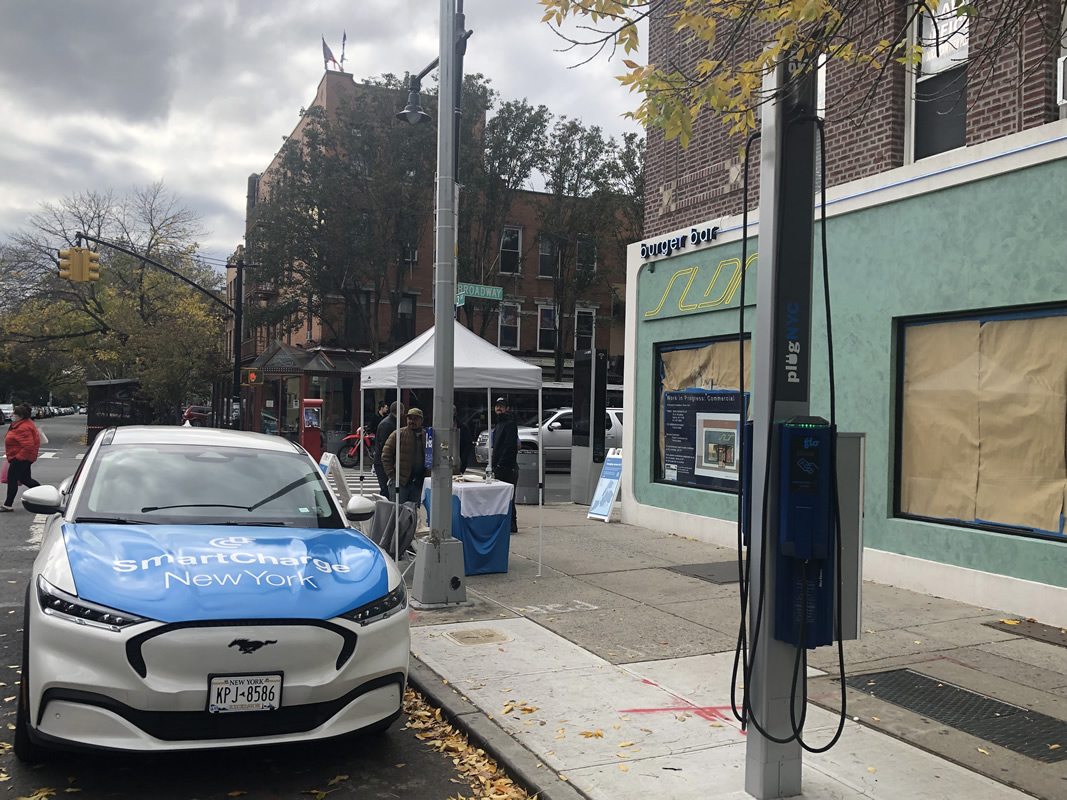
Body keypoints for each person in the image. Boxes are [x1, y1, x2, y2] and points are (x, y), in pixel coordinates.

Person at [380, 408, 427, 504]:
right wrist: (391, 474)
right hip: (400, 482)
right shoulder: (398, 434)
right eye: (410, 418)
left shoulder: (426, 436)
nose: (412, 421)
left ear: (421, 420)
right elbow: (386, 455)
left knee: (413, 513)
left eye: (415, 419)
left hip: (418, 483)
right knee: (397, 512)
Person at [3, 403, 41, 512]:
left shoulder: (23, 427)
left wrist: (18, 458)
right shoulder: (21, 424)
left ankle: (8, 504)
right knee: (25, 479)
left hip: (22, 457)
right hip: (24, 457)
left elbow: (28, 445)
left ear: (20, 416)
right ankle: (44, 495)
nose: (11, 415)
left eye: (14, 413)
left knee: (12, 479)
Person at [491, 397, 519, 533]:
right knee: (503, 497)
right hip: (498, 466)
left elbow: (509, 447)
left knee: (508, 497)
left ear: (507, 408)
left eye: (502, 406)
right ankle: (507, 524)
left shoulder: (510, 424)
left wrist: (501, 464)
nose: (498, 408)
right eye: (497, 406)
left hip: (507, 467)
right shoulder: (498, 424)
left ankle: (511, 524)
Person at [373, 400, 403, 496]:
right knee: (386, 488)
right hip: (382, 462)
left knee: (388, 488)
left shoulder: (391, 422)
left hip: (384, 460)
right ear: (400, 411)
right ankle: (385, 509)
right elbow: (384, 444)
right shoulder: (387, 424)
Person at [453, 405, 473, 475]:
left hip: (457, 463)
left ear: (455, 413)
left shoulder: (463, 428)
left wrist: (463, 460)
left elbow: (468, 445)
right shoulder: (438, 427)